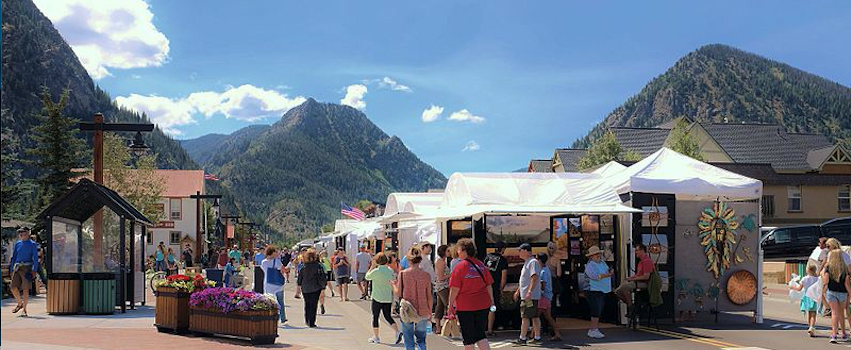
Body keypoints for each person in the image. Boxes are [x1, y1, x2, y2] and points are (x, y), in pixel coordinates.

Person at [448, 238, 494, 350]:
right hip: (483, 304)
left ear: (464, 251)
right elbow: (489, 285)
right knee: (480, 334)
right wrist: (492, 301)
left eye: (458, 250)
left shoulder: (460, 267)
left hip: (465, 306)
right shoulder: (481, 265)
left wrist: (450, 306)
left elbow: (454, 289)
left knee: (468, 337)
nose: (457, 252)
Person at [396, 246, 433, 350]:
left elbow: (398, 293)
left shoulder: (403, 274)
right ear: (420, 259)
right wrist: (430, 311)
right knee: (421, 339)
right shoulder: (426, 275)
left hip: (407, 309)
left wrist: (393, 285)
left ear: (408, 260)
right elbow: (429, 296)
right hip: (423, 309)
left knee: (408, 339)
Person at [365, 252, 403, 344]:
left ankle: (376, 337)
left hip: (377, 297)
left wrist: (372, 267)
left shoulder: (376, 271)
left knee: (375, 317)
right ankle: (397, 332)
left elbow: (367, 277)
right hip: (387, 297)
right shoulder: (390, 270)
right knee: (387, 316)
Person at [513, 243, 542, 345]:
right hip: (528, 295)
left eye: (520, 250)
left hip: (529, 296)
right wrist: (518, 290)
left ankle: (523, 338)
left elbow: (534, 277)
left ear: (526, 251)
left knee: (525, 316)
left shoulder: (532, 262)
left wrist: (529, 291)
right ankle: (537, 337)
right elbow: (524, 279)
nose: (519, 252)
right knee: (534, 316)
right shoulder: (528, 262)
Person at [584, 246, 613, 339]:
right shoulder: (590, 265)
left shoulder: (602, 263)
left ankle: (594, 329)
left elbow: (606, 271)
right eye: (596, 254)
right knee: (595, 310)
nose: (598, 256)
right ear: (591, 256)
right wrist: (607, 275)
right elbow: (594, 276)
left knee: (598, 310)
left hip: (602, 290)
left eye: (599, 254)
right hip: (593, 290)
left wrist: (609, 271)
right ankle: (593, 329)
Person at [614, 243, 655, 309]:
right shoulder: (640, 262)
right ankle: (630, 304)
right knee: (618, 291)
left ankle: (630, 307)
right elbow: (638, 275)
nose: (635, 252)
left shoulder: (647, 261)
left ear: (642, 251)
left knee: (624, 287)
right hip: (639, 281)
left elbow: (646, 276)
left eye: (637, 250)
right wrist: (630, 278)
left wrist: (633, 279)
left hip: (646, 283)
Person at [9, 227, 39, 317]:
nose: (21, 234)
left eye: (23, 232)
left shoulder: (32, 244)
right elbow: (14, 257)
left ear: (28, 233)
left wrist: (34, 270)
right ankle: (19, 303)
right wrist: (11, 269)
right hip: (17, 268)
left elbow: (36, 258)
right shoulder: (17, 243)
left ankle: (24, 310)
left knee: (25, 289)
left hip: (27, 268)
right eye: (20, 233)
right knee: (13, 287)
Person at [823, 248, 851, 343]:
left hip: (831, 292)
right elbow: (847, 283)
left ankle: (834, 335)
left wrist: (822, 291)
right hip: (842, 293)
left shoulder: (828, 267)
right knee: (841, 314)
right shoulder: (845, 268)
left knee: (834, 314)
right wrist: (850, 294)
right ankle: (843, 333)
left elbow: (826, 281)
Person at [297, 248, 327, 328]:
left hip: (305, 287)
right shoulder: (318, 266)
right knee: (314, 305)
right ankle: (312, 322)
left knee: (307, 304)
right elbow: (322, 277)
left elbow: (300, 278)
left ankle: (307, 320)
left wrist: (299, 288)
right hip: (315, 287)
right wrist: (323, 287)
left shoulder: (303, 266)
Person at [484, 241, 508, 336]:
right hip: (494, 287)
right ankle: (490, 329)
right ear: (502, 249)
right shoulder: (502, 260)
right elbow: (504, 277)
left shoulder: (487, 257)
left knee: (483, 307)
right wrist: (501, 289)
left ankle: (482, 327)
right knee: (492, 307)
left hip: (483, 286)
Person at [536, 253, 561, 341]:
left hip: (543, 297)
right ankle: (557, 333)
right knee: (548, 317)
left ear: (539, 260)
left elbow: (542, 285)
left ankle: (533, 335)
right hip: (548, 296)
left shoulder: (542, 271)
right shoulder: (546, 269)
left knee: (536, 317)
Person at [790, 263, 819, 337]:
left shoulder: (804, 279)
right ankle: (811, 327)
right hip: (814, 297)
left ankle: (810, 327)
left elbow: (799, 289)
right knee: (813, 314)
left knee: (809, 313)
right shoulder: (817, 279)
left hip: (806, 296)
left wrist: (792, 287)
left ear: (807, 270)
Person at [261, 245, 287, 323]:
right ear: (272, 252)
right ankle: (282, 317)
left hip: (268, 283)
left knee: (269, 301)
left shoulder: (263, 262)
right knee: (280, 301)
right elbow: (283, 269)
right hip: (278, 284)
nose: (277, 253)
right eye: (275, 251)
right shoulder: (277, 261)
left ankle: (270, 316)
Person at [434, 244, 452, 334]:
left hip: (440, 287)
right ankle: (448, 327)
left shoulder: (441, 261)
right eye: (448, 251)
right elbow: (441, 277)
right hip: (443, 286)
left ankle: (438, 327)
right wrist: (451, 275)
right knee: (448, 305)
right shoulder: (441, 262)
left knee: (440, 306)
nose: (449, 252)